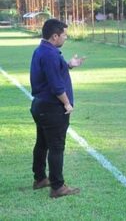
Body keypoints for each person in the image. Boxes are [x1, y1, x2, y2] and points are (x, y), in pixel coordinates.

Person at [30, 19, 84, 198]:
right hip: (52, 108)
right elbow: (56, 86)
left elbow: (52, 73)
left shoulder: (43, 50)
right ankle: (58, 187)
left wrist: (69, 65)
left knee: (43, 143)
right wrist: (67, 103)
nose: (65, 38)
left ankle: (40, 179)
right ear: (55, 36)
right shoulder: (50, 54)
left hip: (40, 106)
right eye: (64, 35)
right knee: (56, 147)